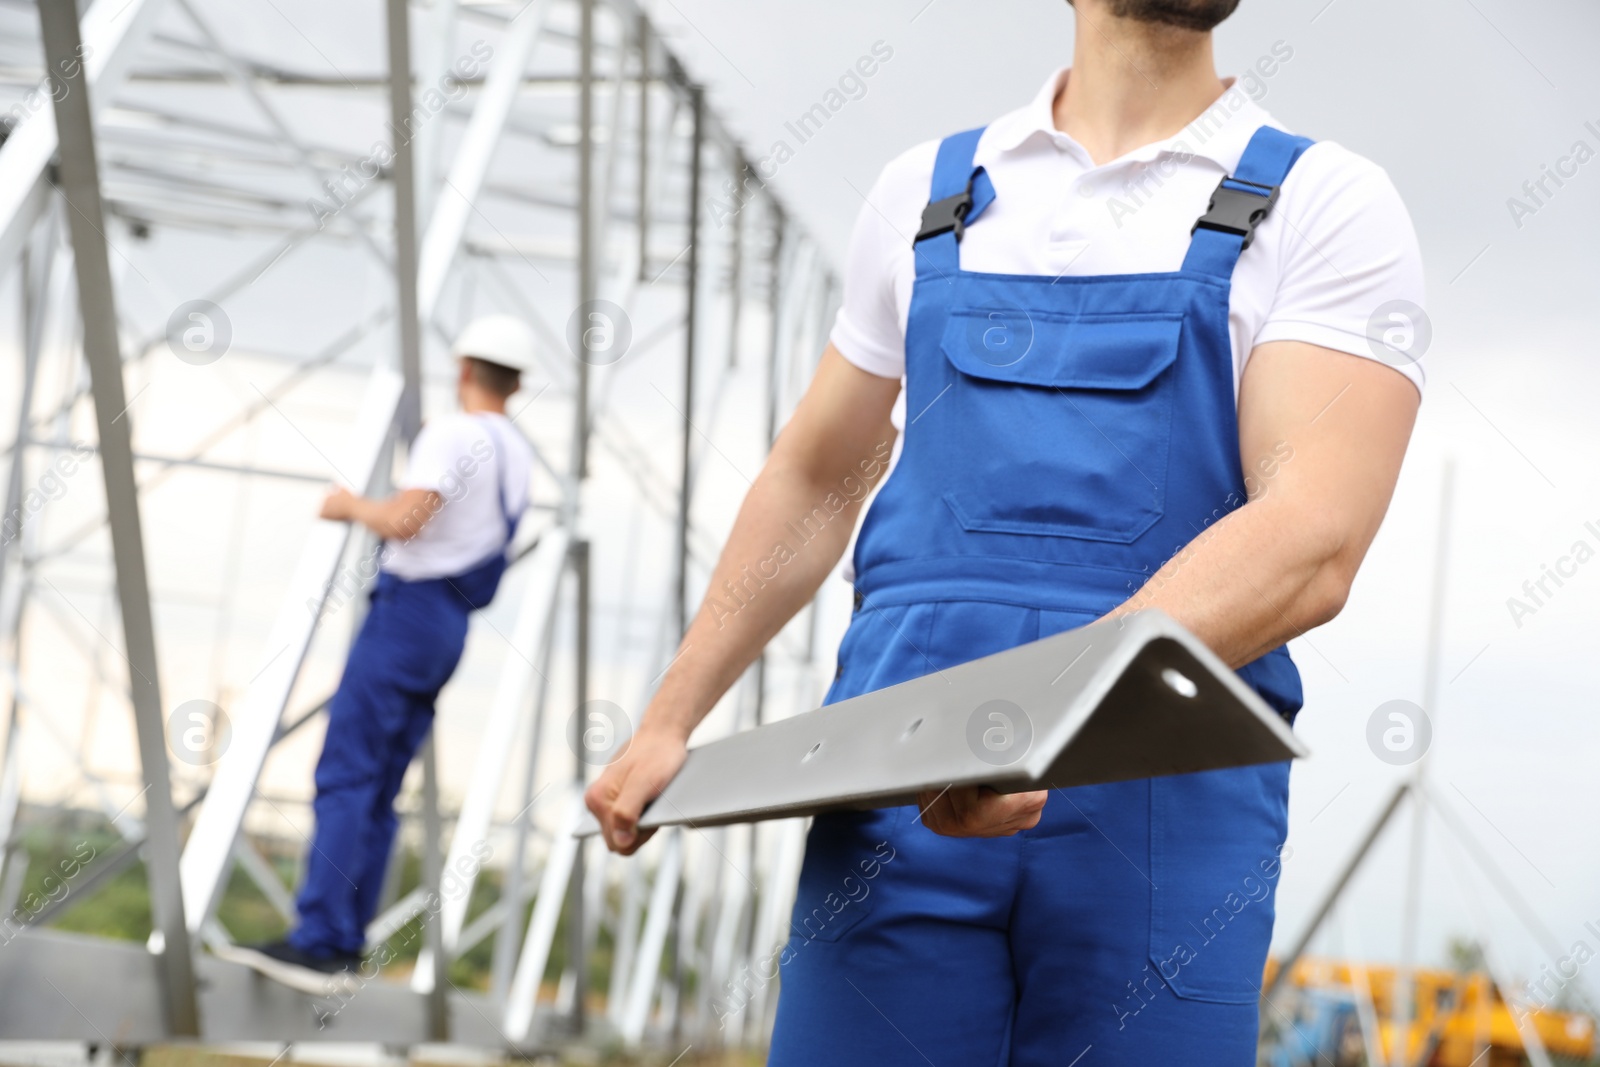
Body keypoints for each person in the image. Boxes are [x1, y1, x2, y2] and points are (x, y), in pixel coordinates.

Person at [586, 0, 1423, 1062]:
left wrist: (1026, 720)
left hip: (1163, 820)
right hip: (892, 796)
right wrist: (670, 716)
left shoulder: (1323, 203)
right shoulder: (927, 193)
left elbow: (1311, 534)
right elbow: (812, 477)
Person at [226, 315, 538, 995]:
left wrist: (348, 507)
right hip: (450, 625)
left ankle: (317, 939)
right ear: (518, 380)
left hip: (409, 610)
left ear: (463, 369)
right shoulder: (518, 452)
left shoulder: (455, 433)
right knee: (379, 788)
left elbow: (405, 518)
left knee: (346, 772)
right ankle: (343, 940)